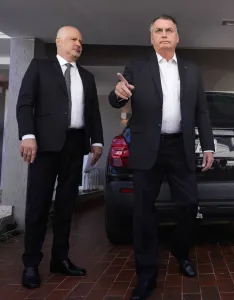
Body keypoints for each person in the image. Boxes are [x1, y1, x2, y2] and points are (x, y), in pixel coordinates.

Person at [109, 14, 214, 300]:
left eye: (169, 30)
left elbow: (202, 111)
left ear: (177, 37)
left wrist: (208, 146)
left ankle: (181, 251)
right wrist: (119, 95)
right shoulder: (137, 66)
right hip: (147, 148)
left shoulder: (192, 70)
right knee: (143, 211)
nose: (164, 34)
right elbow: (116, 96)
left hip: (179, 147)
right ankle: (146, 275)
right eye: (159, 30)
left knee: (190, 204)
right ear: (151, 37)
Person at [16, 26, 104, 289]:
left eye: (81, 40)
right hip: (44, 147)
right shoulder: (39, 67)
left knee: (67, 206)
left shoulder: (87, 77)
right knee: (38, 206)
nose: (78, 43)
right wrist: (27, 135)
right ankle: (31, 264)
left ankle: (60, 259)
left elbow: (93, 112)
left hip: (75, 147)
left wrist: (97, 141)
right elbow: (24, 103)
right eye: (73, 39)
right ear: (58, 42)